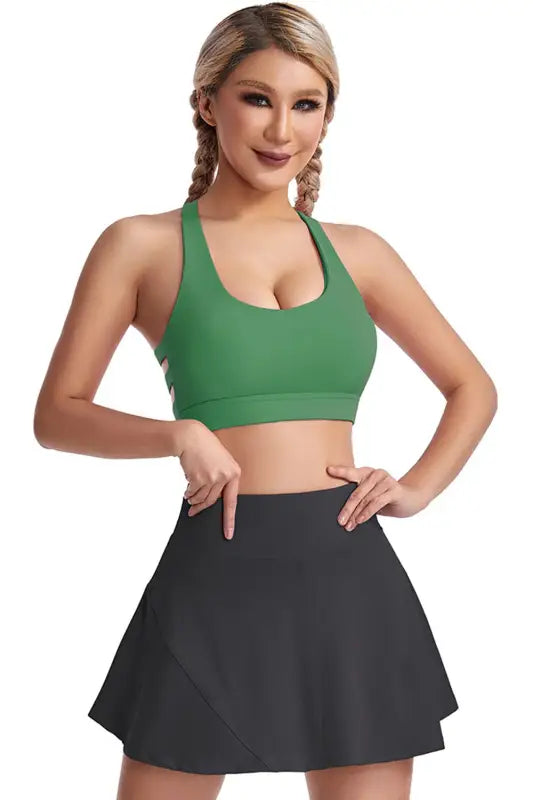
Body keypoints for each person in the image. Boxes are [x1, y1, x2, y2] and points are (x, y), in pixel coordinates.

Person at [33, 3, 498, 799]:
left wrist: (417, 488)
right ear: (206, 103)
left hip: (350, 578)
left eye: (305, 104)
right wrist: (179, 432)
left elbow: (472, 387)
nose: (282, 129)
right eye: (256, 98)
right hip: (215, 575)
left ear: (326, 116)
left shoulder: (359, 252)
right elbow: (57, 414)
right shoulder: (140, 245)